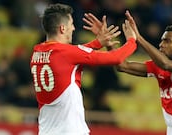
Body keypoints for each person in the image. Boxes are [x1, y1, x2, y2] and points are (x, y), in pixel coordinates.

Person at [83, 11, 172, 135]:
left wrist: (139, 38)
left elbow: (166, 64)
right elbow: (122, 66)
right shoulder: (158, 66)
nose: (161, 44)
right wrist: (109, 43)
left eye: (167, 41)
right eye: (162, 40)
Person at [30, 4, 137, 135]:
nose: (74, 28)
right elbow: (116, 58)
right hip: (69, 130)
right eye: (71, 24)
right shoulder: (67, 53)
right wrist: (132, 40)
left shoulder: (37, 51)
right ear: (62, 28)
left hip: (46, 130)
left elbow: (73, 55)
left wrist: (97, 43)